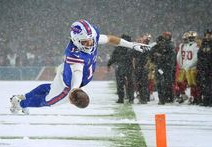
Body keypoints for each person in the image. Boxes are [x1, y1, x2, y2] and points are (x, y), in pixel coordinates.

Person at [10, 19, 147, 114]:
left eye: (91, 40)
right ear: (76, 40)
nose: (90, 44)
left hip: (66, 71)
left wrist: (132, 45)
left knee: (51, 89)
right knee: (48, 101)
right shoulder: (75, 56)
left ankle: (22, 97)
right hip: (67, 83)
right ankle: (21, 104)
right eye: (85, 42)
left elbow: (111, 39)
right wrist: (74, 91)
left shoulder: (90, 37)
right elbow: (78, 74)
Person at [197, 29, 212, 107]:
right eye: (207, 34)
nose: (209, 35)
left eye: (210, 34)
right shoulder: (203, 43)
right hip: (204, 68)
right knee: (204, 85)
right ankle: (206, 100)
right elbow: (199, 55)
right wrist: (200, 66)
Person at [107, 34, 134, 104]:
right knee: (130, 84)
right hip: (129, 67)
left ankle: (121, 99)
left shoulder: (118, 48)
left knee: (120, 84)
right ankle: (131, 98)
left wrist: (109, 64)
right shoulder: (131, 48)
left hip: (120, 67)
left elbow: (113, 58)